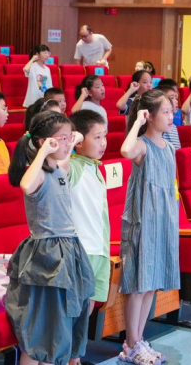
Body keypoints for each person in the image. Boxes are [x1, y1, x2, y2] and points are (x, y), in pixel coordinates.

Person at [5, 111, 95, 365]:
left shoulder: (59, 168)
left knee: (58, 328)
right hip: (47, 255)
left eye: (68, 138)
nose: (68, 143)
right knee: (42, 330)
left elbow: (75, 140)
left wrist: (68, 137)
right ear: (44, 142)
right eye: (61, 139)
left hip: (68, 249)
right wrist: (44, 150)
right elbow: (25, 185)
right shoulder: (38, 174)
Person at [118, 89, 179, 364]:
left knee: (151, 285)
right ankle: (130, 344)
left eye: (171, 111)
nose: (171, 116)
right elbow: (125, 150)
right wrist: (138, 122)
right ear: (149, 116)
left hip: (163, 221)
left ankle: (139, 339)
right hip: (143, 222)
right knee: (139, 285)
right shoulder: (142, 145)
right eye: (165, 112)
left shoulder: (169, 147)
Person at [69, 110, 111, 325]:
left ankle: (78, 347)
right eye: (97, 137)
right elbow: (57, 167)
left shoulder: (95, 167)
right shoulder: (73, 167)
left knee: (88, 308)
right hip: (82, 251)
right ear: (78, 141)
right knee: (74, 311)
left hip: (100, 249)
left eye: (104, 136)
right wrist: (70, 140)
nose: (103, 143)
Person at [157, 84, 182, 150]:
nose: (176, 101)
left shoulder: (173, 126)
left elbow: (177, 150)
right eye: (172, 98)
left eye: (176, 98)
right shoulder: (158, 127)